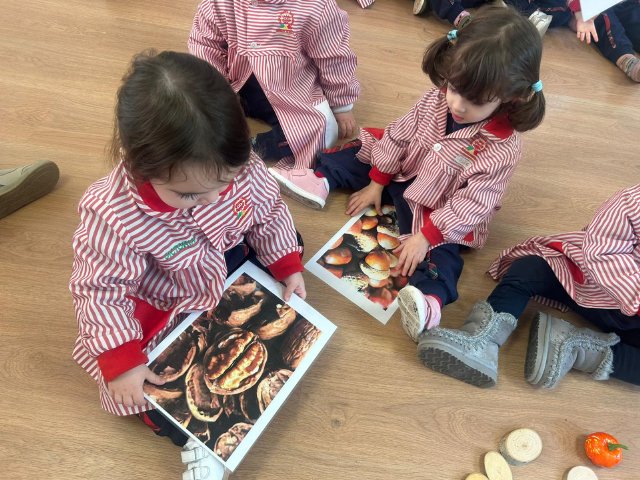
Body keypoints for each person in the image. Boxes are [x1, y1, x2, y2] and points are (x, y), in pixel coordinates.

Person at [69, 50, 305, 480]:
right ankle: (194, 440)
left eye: (225, 183)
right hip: (168, 295)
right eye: (190, 195)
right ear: (140, 165)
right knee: (148, 389)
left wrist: (286, 263)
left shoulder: (237, 164)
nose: (213, 199)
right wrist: (122, 361)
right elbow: (99, 290)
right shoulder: (112, 213)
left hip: (227, 256)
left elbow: (269, 210)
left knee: (286, 246)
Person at [279, 5, 545, 345]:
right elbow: (399, 136)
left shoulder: (502, 148)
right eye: (453, 88)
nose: (458, 105)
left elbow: (473, 204)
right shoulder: (435, 99)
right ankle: (323, 179)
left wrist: (427, 237)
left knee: (441, 255)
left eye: (476, 101)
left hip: (438, 209)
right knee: (365, 148)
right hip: (404, 170)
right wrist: (377, 180)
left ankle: (430, 301)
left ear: (511, 96)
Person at [418, 185, 640, 390]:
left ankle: (575, 348)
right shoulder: (633, 201)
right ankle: (483, 339)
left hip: (632, 323)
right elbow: (602, 249)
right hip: (587, 280)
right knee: (531, 268)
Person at [187, 0, 361, 201]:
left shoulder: (317, 8)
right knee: (190, 106)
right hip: (237, 85)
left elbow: (334, 58)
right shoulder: (220, 4)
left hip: (290, 91)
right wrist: (220, 88)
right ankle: (220, 143)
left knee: (324, 128)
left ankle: (257, 145)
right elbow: (204, 44)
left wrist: (341, 104)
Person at [507, 0, 640, 82]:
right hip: (544, 8)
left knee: (603, 14)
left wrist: (582, 9)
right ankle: (625, 58)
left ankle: (626, 58)